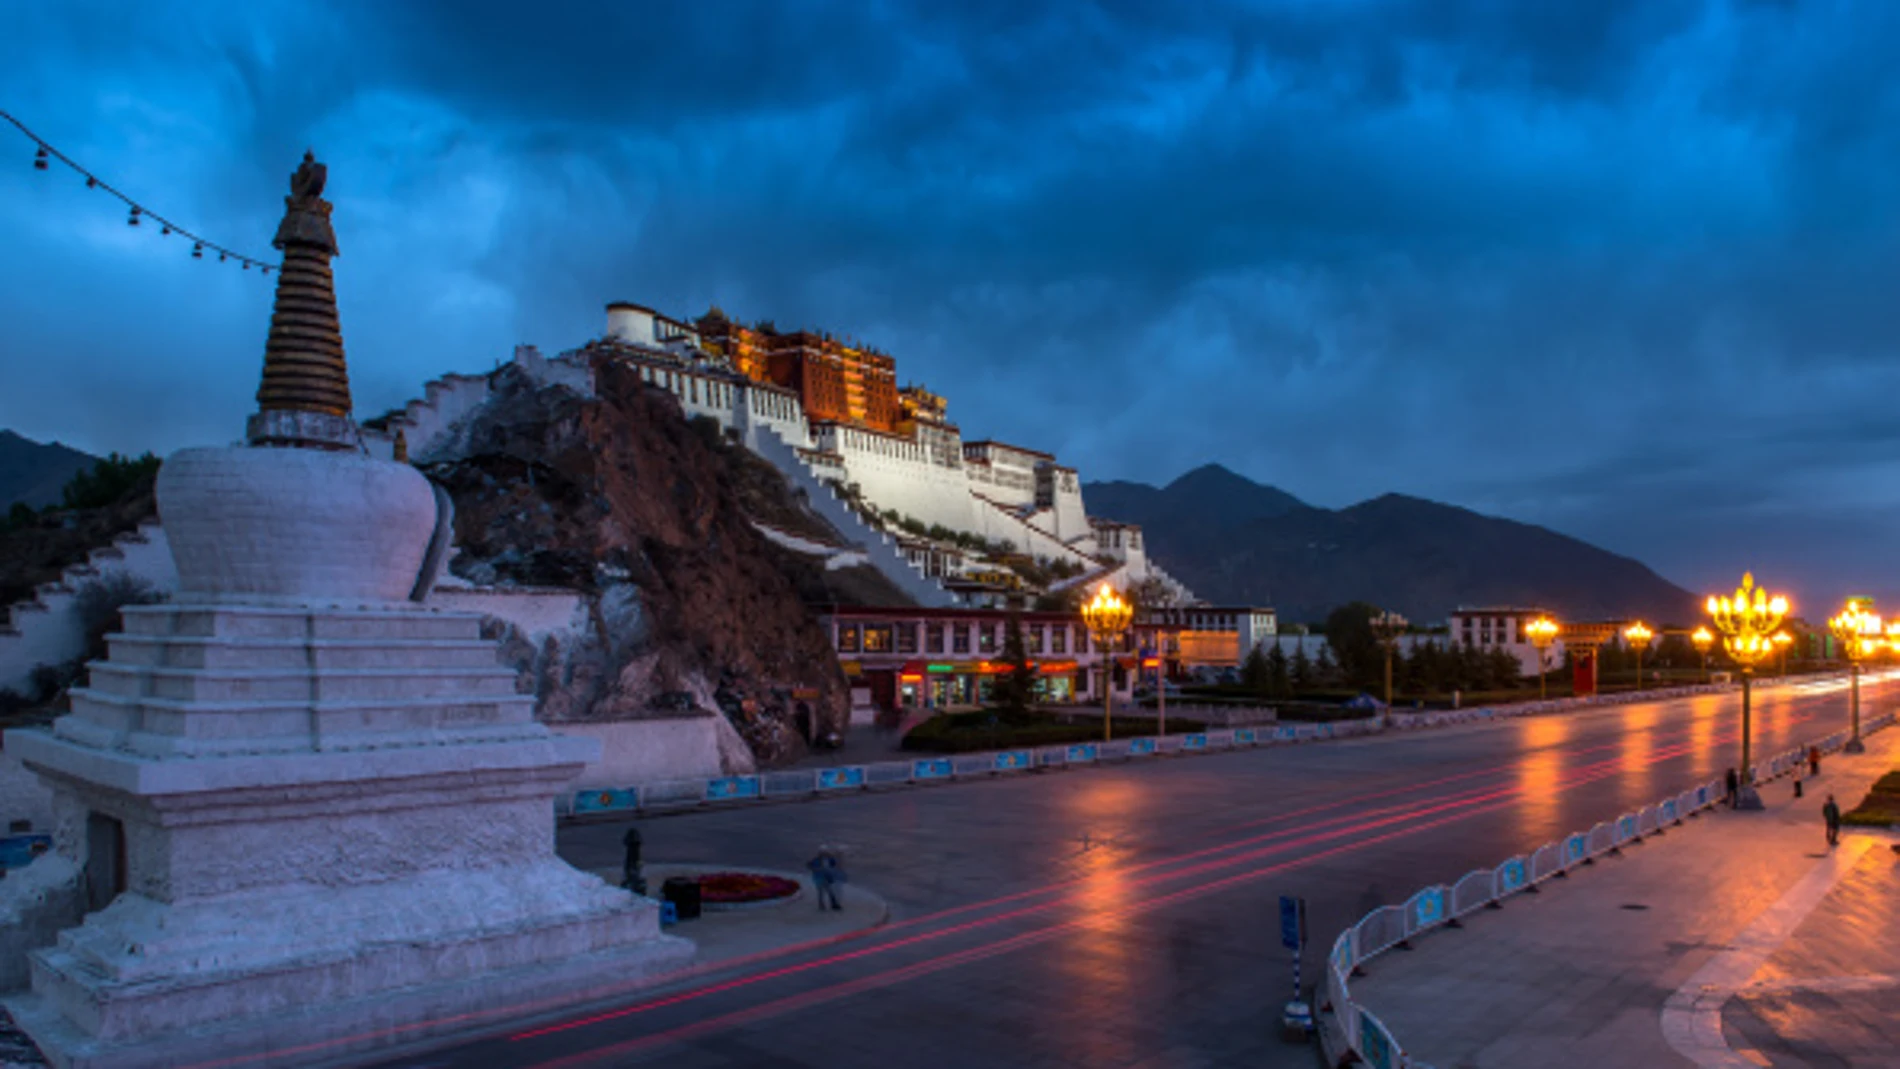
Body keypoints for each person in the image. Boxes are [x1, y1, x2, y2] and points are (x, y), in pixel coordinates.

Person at [807, 847, 846, 911]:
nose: (824, 854)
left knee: (830, 892)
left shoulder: (829, 859)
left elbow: (835, 864)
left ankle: (833, 904)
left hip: (826, 877)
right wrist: (815, 869)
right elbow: (808, 865)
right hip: (819, 877)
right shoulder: (816, 859)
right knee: (821, 892)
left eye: (825, 852)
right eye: (823, 852)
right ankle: (822, 905)